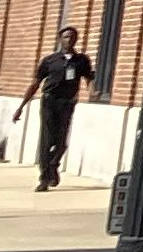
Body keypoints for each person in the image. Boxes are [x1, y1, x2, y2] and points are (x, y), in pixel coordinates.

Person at [29, 30, 96, 190]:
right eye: (66, 37)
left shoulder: (81, 60)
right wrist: (21, 106)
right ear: (59, 39)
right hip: (49, 101)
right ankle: (44, 178)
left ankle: (53, 165)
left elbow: (89, 79)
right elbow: (36, 83)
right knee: (47, 140)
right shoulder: (50, 60)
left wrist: (93, 92)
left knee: (61, 141)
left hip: (67, 103)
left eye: (72, 37)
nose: (69, 40)